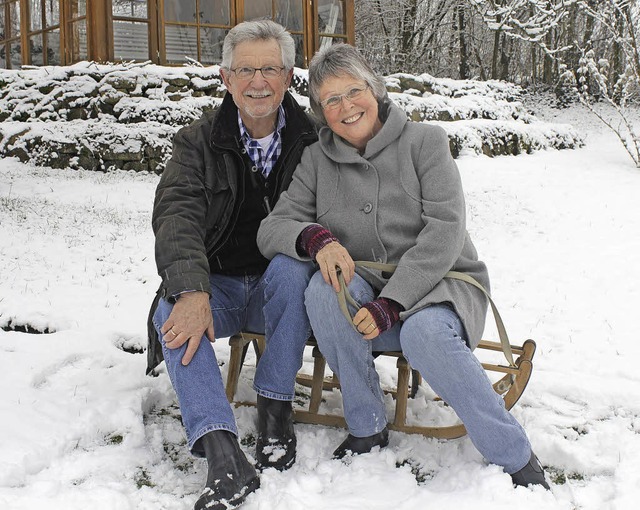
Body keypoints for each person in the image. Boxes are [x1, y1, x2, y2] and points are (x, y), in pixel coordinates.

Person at [257, 43, 550, 489]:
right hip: (365, 295)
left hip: (442, 284)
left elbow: (445, 231)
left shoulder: (425, 142)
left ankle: (516, 455)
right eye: (330, 100)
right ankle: (366, 425)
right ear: (320, 110)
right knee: (321, 289)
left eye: (353, 91)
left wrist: (392, 303)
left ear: (374, 89)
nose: (345, 106)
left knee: (422, 332)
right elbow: (273, 226)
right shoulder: (316, 160)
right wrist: (313, 238)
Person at [146, 20, 318, 510]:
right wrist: (191, 290)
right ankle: (223, 452)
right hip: (217, 286)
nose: (257, 81)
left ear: (288, 77)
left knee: (290, 269)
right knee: (171, 312)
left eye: (269, 68)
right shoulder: (196, 143)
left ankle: (275, 409)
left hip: (279, 293)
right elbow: (176, 215)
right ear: (225, 77)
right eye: (245, 69)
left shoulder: (315, 140)